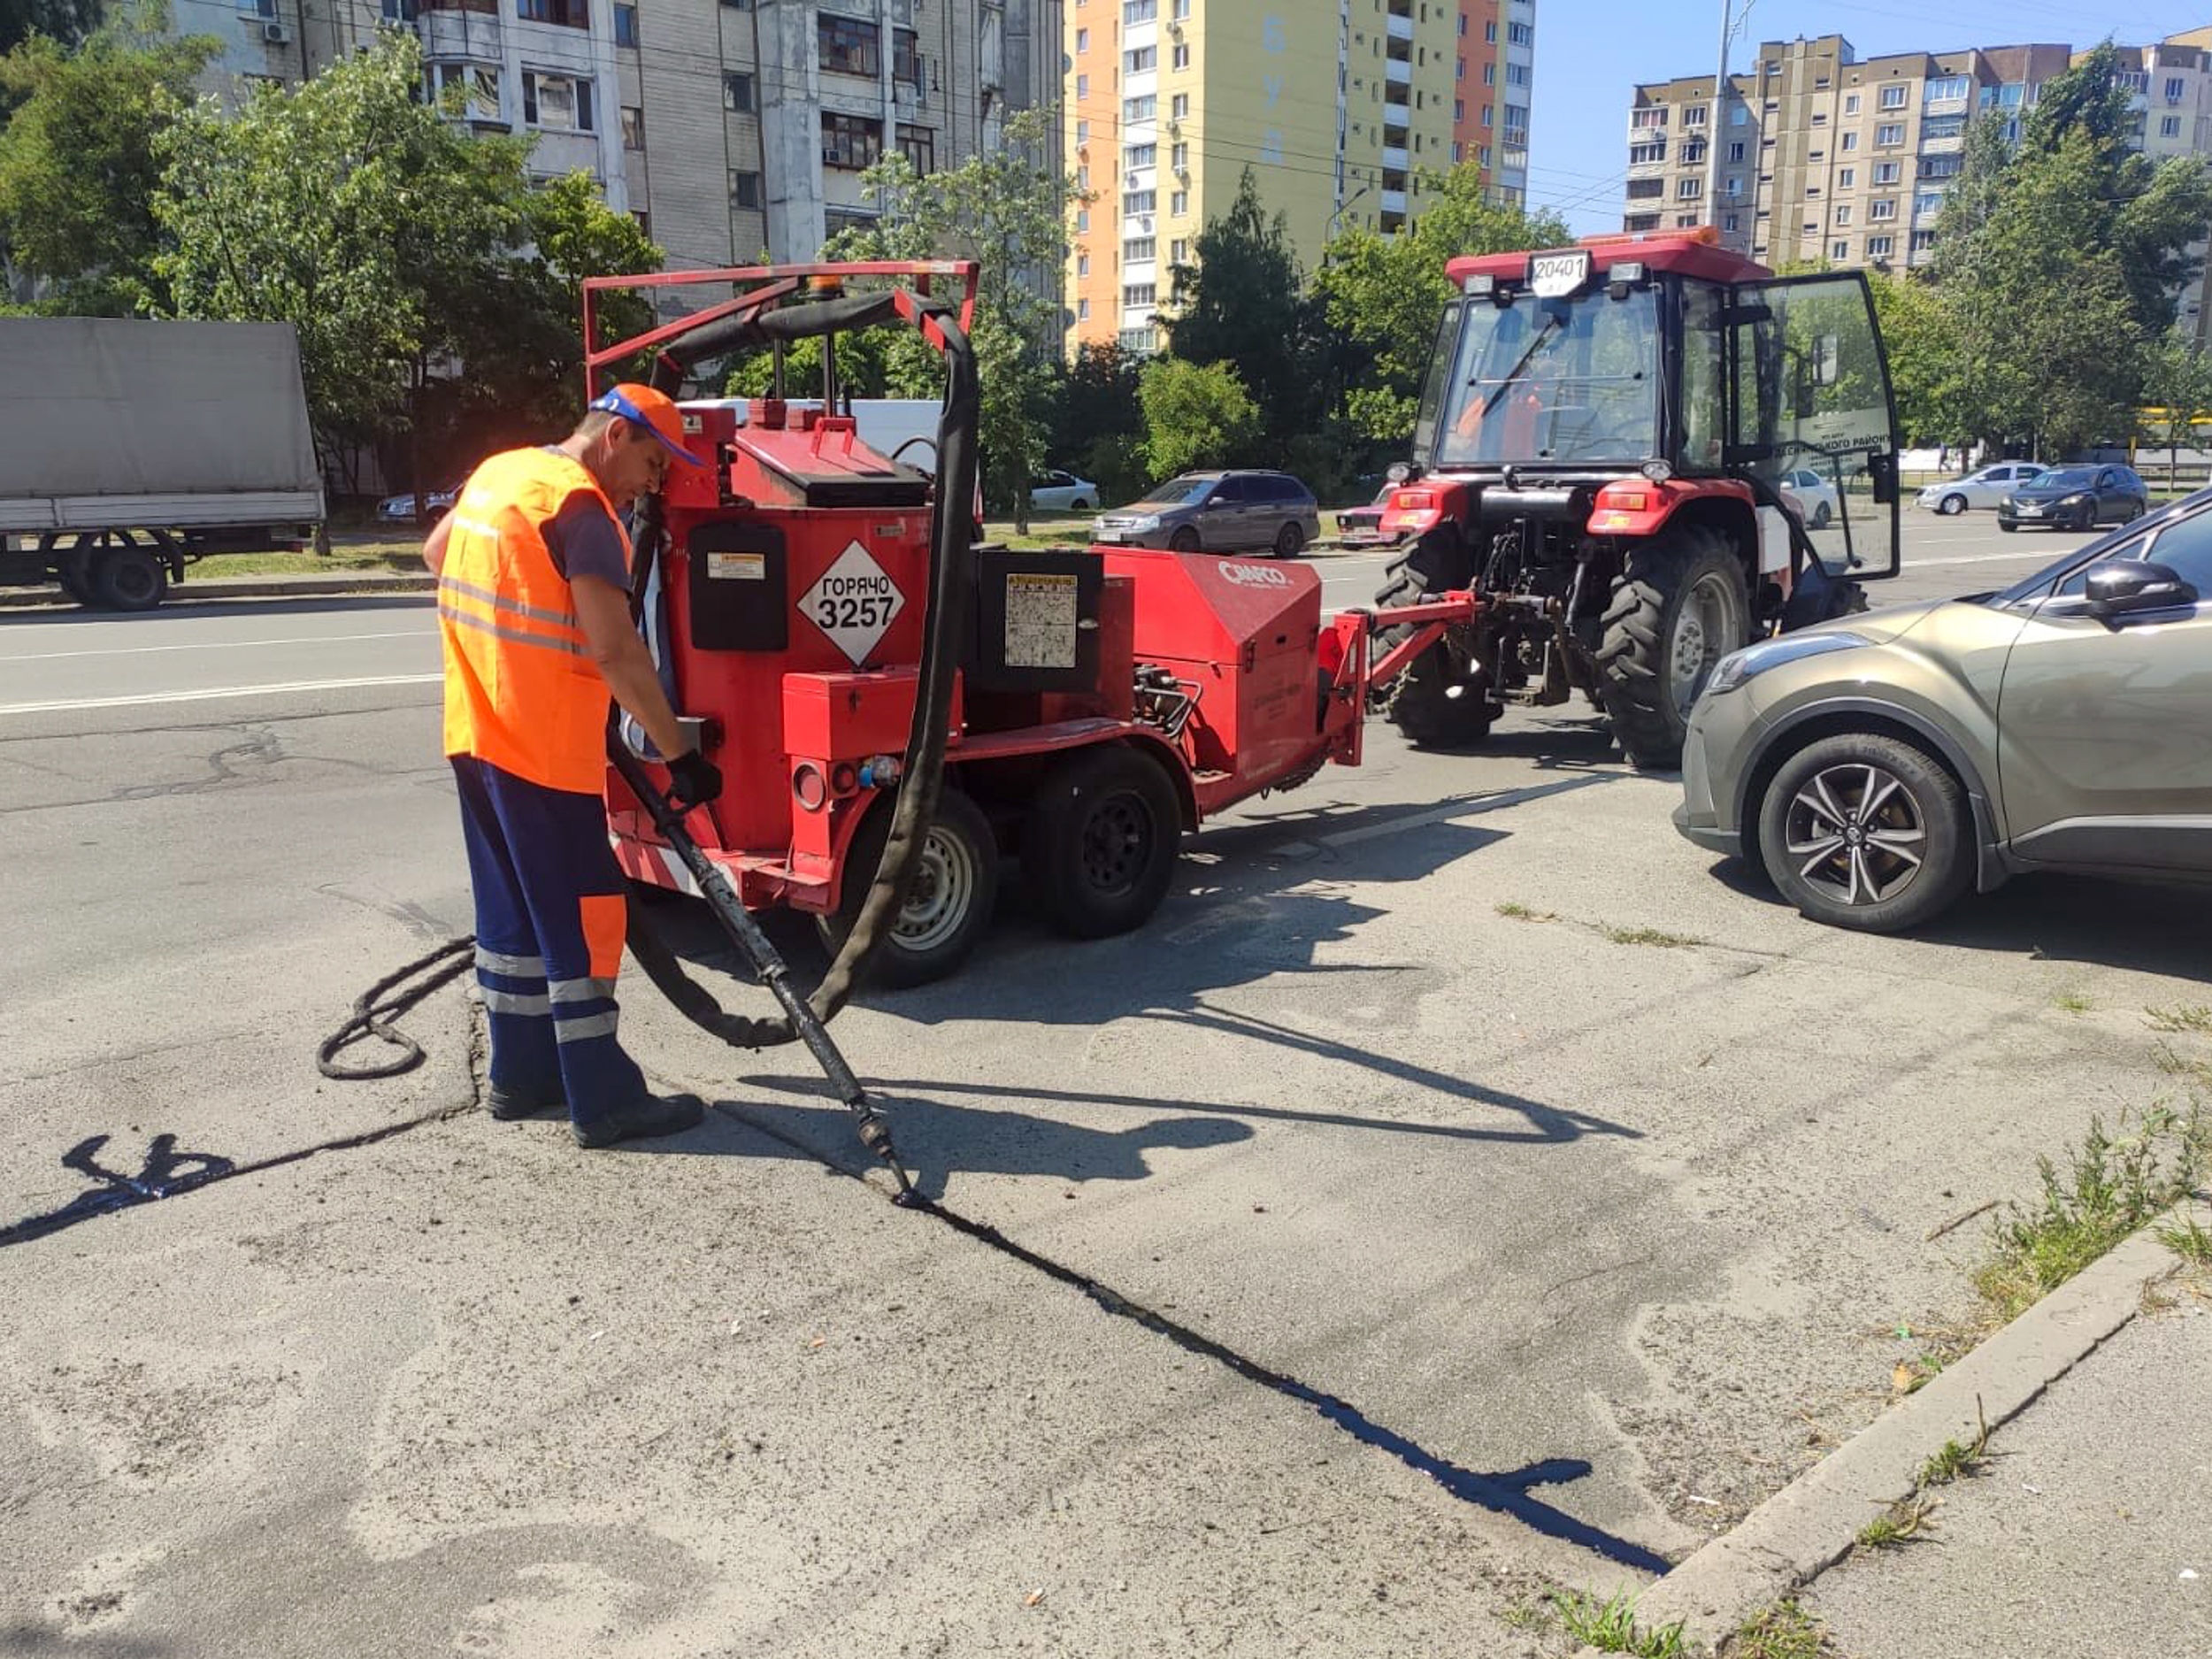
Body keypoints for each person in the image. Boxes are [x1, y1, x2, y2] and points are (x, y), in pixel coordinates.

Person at [425, 384, 725, 1149]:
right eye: (654, 464)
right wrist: (681, 756)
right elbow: (619, 652)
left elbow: (437, 553)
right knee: (586, 917)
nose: (652, 486)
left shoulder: (501, 474)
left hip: (477, 735)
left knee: (513, 915)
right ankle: (603, 1098)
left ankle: (519, 1076)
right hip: (545, 750)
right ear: (616, 436)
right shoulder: (581, 509)